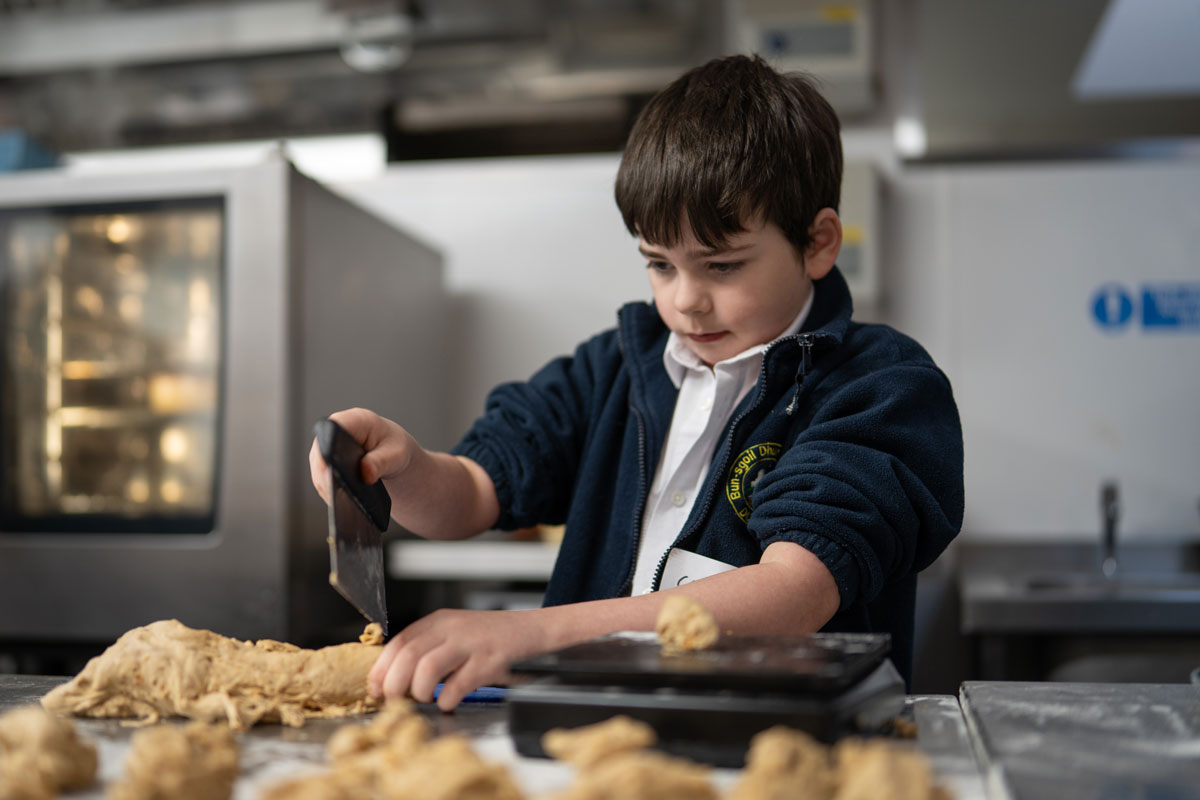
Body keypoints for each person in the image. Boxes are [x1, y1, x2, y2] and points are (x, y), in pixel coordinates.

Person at [309, 54, 964, 712]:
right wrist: (403, 469)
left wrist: (534, 635)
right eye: (659, 264)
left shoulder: (880, 389)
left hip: (773, 756)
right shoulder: (614, 369)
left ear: (819, 243)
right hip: (590, 747)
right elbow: (473, 493)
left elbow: (791, 594)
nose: (686, 302)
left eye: (723, 266)